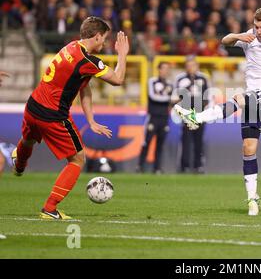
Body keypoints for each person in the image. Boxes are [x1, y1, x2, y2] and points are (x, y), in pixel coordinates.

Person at [175, 7, 261, 216]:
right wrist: (240, 35)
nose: (260, 31)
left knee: (240, 98)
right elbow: (225, 41)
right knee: (248, 149)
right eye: (257, 26)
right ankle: (252, 198)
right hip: (252, 98)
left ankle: (198, 117)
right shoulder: (250, 39)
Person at [11, 16, 129, 220]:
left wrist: (91, 120)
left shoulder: (72, 46)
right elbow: (118, 79)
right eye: (104, 38)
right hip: (53, 115)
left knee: (29, 139)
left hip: (33, 106)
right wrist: (123, 55)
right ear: (97, 36)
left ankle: (19, 165)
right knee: (77, 159)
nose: (105, 43)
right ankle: (50, 208)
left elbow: (85, 88)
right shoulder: (87, 61)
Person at [174, 57, 210, 173]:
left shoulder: (203, 78)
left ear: (197, 66)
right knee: (186, 140)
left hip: (200, 113)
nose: (191, 68)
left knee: (199, 140)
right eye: (188, 65)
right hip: (187, 113)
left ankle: (198, 165)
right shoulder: (180, 78)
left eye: (193, 65)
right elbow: (176, 95)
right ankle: (184, 165)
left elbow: (208, 95)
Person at [136, 62, 173, 173]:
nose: (166, 71)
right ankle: (140, 166)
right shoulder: (152, 81)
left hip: (165, 117)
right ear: (159, 70)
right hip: (153, 116)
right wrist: (169, 99)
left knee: (160, 144)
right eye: (164, 68)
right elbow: (153, 96)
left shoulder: (171, 84)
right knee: (146, 142)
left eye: (167, 69)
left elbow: (173, 99)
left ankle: (157, 168)